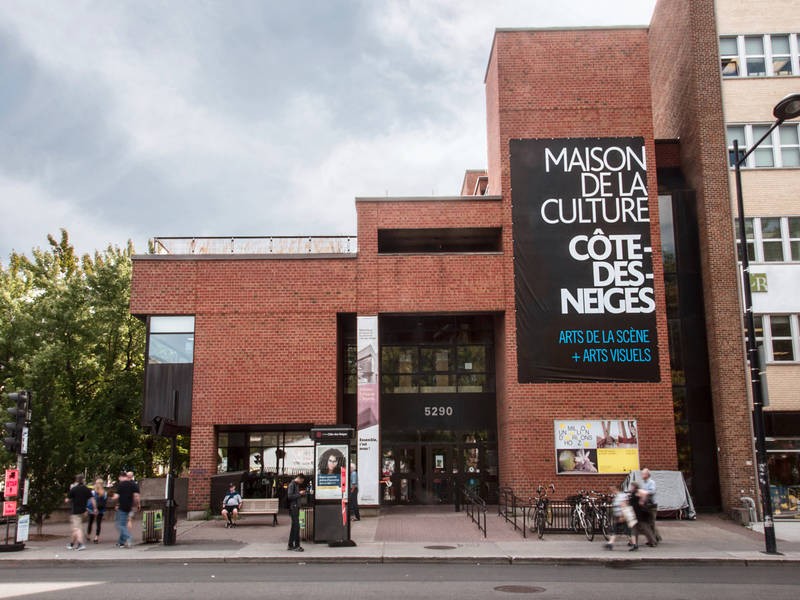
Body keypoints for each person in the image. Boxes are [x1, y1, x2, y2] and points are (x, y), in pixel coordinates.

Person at [112, 471, 140, 548]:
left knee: (119, 525)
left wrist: (111, 496)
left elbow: (116, 497)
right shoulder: (133, 484)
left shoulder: (121, 485)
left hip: (122, 507)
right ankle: (121, 542)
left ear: (121, 477)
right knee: (124, 525)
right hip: (130, 507)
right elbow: (136, 496)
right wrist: (137, 505)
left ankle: (128, 537)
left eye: (119, 478)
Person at [65, 475, 92, 550]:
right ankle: (71, 544)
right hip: (83, 511)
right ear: (83, 480)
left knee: (77, 528)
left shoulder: (74, 489)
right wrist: (94, 508)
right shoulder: (86, 489)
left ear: (76, 480)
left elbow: (67, 500)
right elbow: (92, 499)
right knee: (75, 529)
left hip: (75, 511)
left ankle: (80, 544)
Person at [628, 481, 657, 551]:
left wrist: (642, 501)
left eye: (632, 486)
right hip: (635, 513)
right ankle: (634, 543)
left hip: (640, 513)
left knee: (645, 528)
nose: (631, 487)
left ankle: (653, 541)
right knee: (634, 529)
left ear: (635, 486)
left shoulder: (639, 491)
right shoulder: (633, 493)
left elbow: (645, 494)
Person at [604, 483, 633, 550]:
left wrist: (622, 516)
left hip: (622, 516)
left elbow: (624, 506)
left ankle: (633, 543)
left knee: (624, 530)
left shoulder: (622, 496)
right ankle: (610, 543)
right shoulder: (617, 496)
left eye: (612, 489)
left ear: (616, 489)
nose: (611, 491)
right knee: (618, 530)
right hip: (618, 516)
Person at [286, 473, 307, 551]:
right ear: (299, 478)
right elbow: (290, 496)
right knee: (296, 527)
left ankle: (290, 545)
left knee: (294, 527)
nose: (301, 482)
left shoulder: (295, 484)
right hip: (293, 507)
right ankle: (296, 546)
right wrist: (299, 494)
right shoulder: (292, 484)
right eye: (302, 481)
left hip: (295, 507)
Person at [641, 468, 662, 542]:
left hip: (652, 505)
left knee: (651, 522)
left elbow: (652, 491)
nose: (642, 475)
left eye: (643, 474)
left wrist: (644, 492)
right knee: (649, 522)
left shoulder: (651, 482)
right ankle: (657, 537)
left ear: (647, 475)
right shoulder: (643, 483)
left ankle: (653, 539)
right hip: (646, 505)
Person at [86, 478, 108, 544]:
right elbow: (105, 501)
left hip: (92, 509)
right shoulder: (105, 493)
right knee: (98, 523)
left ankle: (88, 535)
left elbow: (90, 501)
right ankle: (96, 537)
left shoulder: (92, 492)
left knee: (90, 522)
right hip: (101, 510)